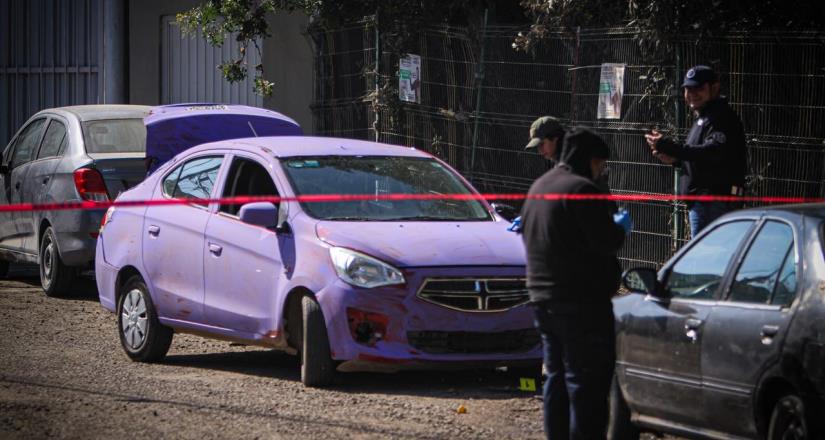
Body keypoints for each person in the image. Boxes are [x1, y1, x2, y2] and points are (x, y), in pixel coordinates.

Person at [520, 128, 628, 439]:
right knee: (586, 384)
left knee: (556, 377)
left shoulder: (540, 187)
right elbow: (605, 240)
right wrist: (619, 229)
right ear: (591, 160)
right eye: (600, 164)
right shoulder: (582, 190)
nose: (601, 171)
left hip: (541, 297)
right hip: (580, 302)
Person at [645, 65, 747, 237]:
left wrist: (669, 147)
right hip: (706, 204)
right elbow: (704, 159)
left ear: (714, 88)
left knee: (705, 261)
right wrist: (675, 160)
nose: (692, 94)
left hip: (712, 204)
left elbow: (712, 152)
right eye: (688, 89)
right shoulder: (706, 117)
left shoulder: (720, 117)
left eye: (698, 88)